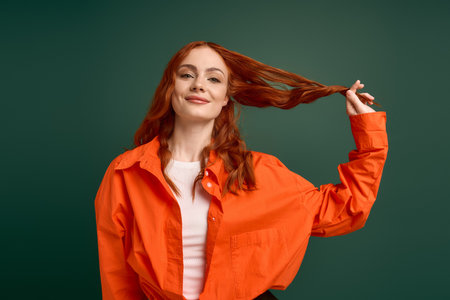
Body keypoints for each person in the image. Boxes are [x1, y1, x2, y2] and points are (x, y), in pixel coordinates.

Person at [94, 41, 388, 300]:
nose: (199, 84)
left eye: (214, 78)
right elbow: (117, 277)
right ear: (171, 89)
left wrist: (369, 133)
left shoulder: (259, 173)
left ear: (225, 98)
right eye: (187, 75)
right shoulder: (126, 173)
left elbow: (347, 208)